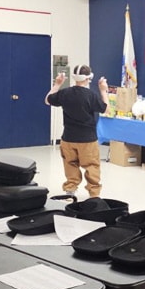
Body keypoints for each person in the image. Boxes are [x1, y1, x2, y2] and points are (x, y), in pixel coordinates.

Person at [45, 64, 109, 198]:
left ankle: (70, 191)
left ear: (74, 77)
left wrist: (57, 84)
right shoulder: (91, 95)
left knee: (70, 164)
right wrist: (103, 90)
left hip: (68, 138)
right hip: (88, 140)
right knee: (92, 166)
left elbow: (47, 100)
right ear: (89, 77)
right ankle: (94, 194)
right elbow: (106, 109)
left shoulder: (65, 93)